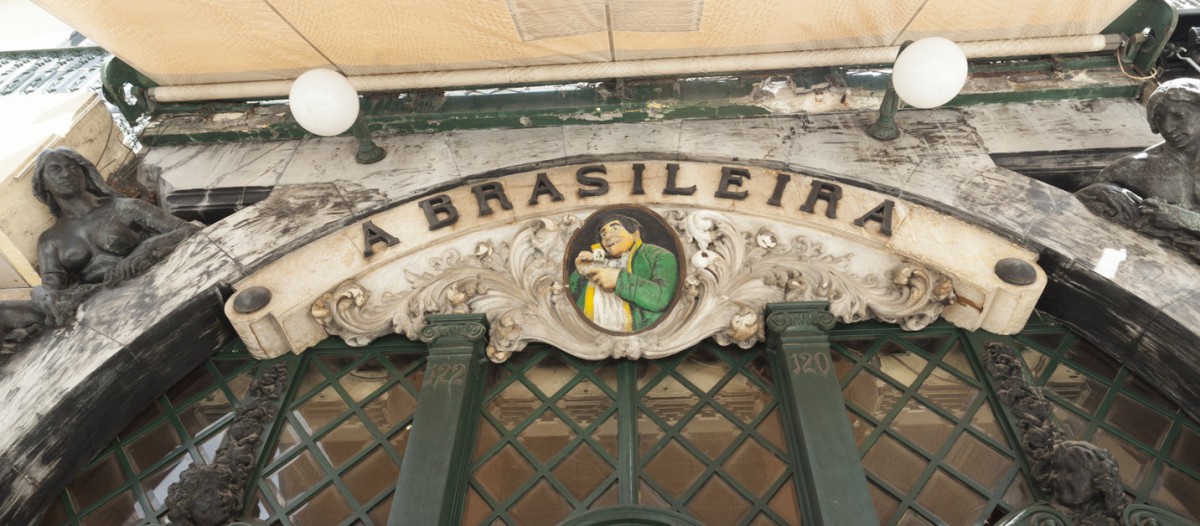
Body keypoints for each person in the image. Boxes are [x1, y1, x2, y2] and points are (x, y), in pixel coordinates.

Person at [9, 147, 198, 336]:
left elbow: (188, 229)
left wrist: (146, 248)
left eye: (72, 167)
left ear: (85, 172)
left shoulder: (126, 207)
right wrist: (39, 293)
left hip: (157, 284)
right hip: (104, 310)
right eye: (56, 170)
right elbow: (52, 287)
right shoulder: (50, 239)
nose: (66, 174)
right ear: (43, 184)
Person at [1076, 78, 1200, 244]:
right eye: (1161, 118)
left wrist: (1180, 218)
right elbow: (1074, 202)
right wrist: (1101, 190)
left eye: (1179, 116)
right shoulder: (1134, 167)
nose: (1168, 127)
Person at [568, 214, 678, 332]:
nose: (607, 236)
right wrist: (580, 274)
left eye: (615, 228)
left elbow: (662, 298)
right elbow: (570, 306)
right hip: (590, 337)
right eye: (603, 234)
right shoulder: (597, 262)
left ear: (635, 234)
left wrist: (618, 280)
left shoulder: (659, 255)